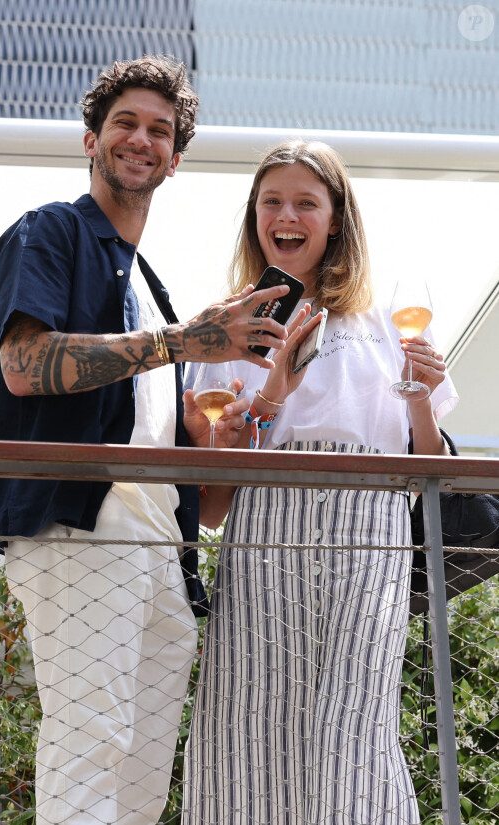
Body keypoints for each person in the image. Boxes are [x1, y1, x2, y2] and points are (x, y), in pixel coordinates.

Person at [0, 55, 291, 825]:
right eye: (125, 124)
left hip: (161, 542)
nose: (141, 139)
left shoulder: (148, 280)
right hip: (84, 522)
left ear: (175, 160)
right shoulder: (51, 232)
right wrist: (180, 342)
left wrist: (214, 430)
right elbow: (23, 365)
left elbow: (161, 427)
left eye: (159, 130)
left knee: (141, 769)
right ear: (90, 139)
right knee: (90, 740)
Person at [182, 139, 458, 825]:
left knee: (355, 734)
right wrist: (271, 396)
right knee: (252, 728)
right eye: (272, 200)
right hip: (265, 539)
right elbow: (212, 509)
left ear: (336, 218)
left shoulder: (382, 319)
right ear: (254, 216)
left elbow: (425, 469)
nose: (288, 214)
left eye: (307, 201)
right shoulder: (223, 328)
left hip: (371, 534)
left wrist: (421, 397)